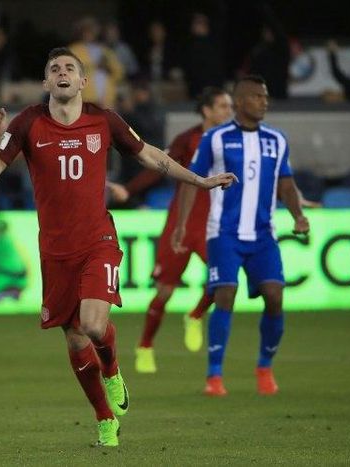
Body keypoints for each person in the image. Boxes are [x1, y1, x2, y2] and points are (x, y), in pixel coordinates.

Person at [0, 47, 237, 446]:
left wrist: (199, 180)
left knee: (95, 325)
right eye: (54, 69)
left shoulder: (104, 119)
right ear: (47, 83)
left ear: (83, 81)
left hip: (98, 239)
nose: (62, 72)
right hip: (55, 250)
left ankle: (113, 369)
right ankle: (103, 416)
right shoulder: (30, 122)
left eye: (70, 68)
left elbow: (150, 155)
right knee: (75, 338)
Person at [172, 75, 309, 397]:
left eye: (266, 97)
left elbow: (285, 184)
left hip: (263, 235)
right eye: (259, 96)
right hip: (224, 233)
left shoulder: (277, 139)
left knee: (275, 296)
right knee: (225, 295)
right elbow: (193, 180)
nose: (265, 102)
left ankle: (264, 367)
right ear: (242, 100)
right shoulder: (215, 138)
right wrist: (181, 224)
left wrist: (298, 216)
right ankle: (214, 375)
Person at [114, 87, 233, 373]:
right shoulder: (187, 140)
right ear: (206, 110)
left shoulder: (235, 141)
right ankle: (145, 346)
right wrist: (128, 190)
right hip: (180, 224)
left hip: (214, 224)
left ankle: (195, 315)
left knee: (225, 280)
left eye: (230, 106)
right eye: (223, 106)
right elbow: (157, 166)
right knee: (165, 292)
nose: (229, 111)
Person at [69, 17, 125, 108]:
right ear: (81, 32)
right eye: (86, 30)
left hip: (107, 100)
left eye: (92, 30)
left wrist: (107, 67)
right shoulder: (73, 50)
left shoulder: (105, 50)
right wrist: (94, 66)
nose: (89, 33)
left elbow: (119, 73)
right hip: (86, 100)